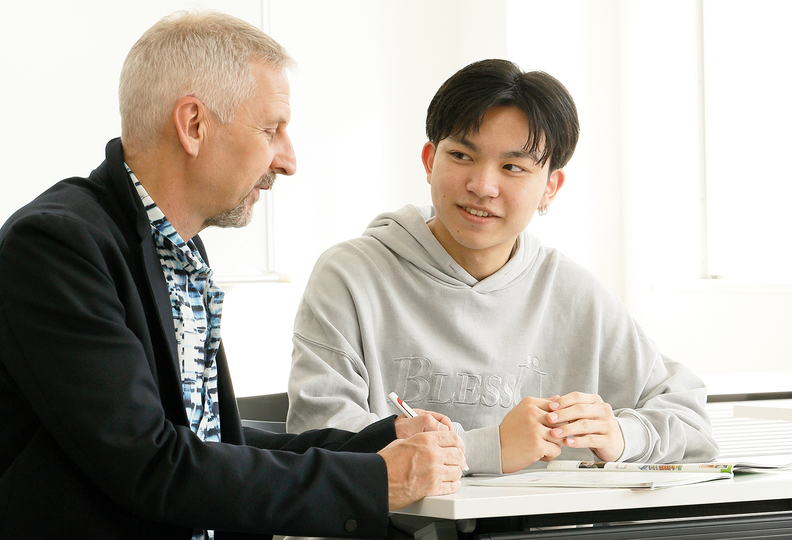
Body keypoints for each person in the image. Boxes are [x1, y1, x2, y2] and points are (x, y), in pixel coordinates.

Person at [0, 11, 466, 540]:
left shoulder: (176, 247)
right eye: (272, 130)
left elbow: (212, 443)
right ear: (194, 125)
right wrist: (374, 481)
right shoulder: (58, 246)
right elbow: (151, 465)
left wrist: (380, 443)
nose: (288, 161)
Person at [286, 59, 719, 475]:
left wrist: (621, 434)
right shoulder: (350, 276)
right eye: (461, 157)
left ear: (550, 187)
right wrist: (487, 448)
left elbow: (691, 419)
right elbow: (319, 435)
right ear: (428, 160)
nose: (482, 186)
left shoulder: (571, 292)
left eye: (513, 167)